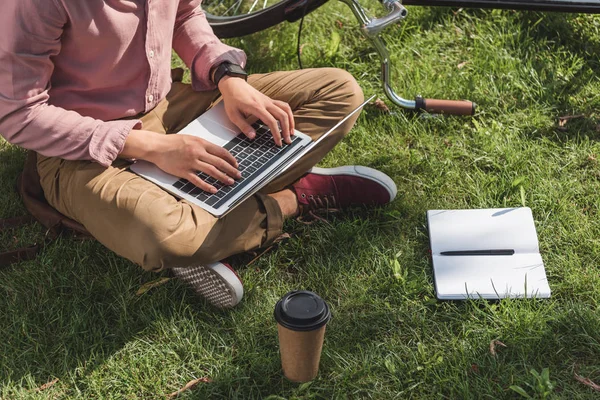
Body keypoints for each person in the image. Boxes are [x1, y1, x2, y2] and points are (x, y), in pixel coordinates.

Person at [0, 0, 397, 308]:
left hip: (169, 104)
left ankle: (200, 220)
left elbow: (185, 14)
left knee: (339, 93)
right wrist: (152, 147)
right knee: (164, 236)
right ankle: (292, 198)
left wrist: (228, 78)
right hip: (81, 150)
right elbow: (19, 113)